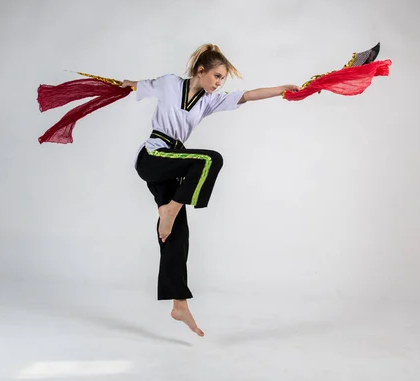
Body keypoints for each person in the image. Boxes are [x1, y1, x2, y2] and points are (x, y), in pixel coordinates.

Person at [121, 44, 300, 337]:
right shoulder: (169, 84)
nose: (218, 84)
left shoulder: (208, 101)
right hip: (153, 157)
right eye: (216, 77)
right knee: (209, 159)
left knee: (177, 234)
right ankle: (171, 209)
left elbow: (248, 95)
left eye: (222, 80)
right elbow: (134, 86)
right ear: (200, 71)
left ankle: (179, 303)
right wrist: (117, 84)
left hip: (174, 162)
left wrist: (282, 89)